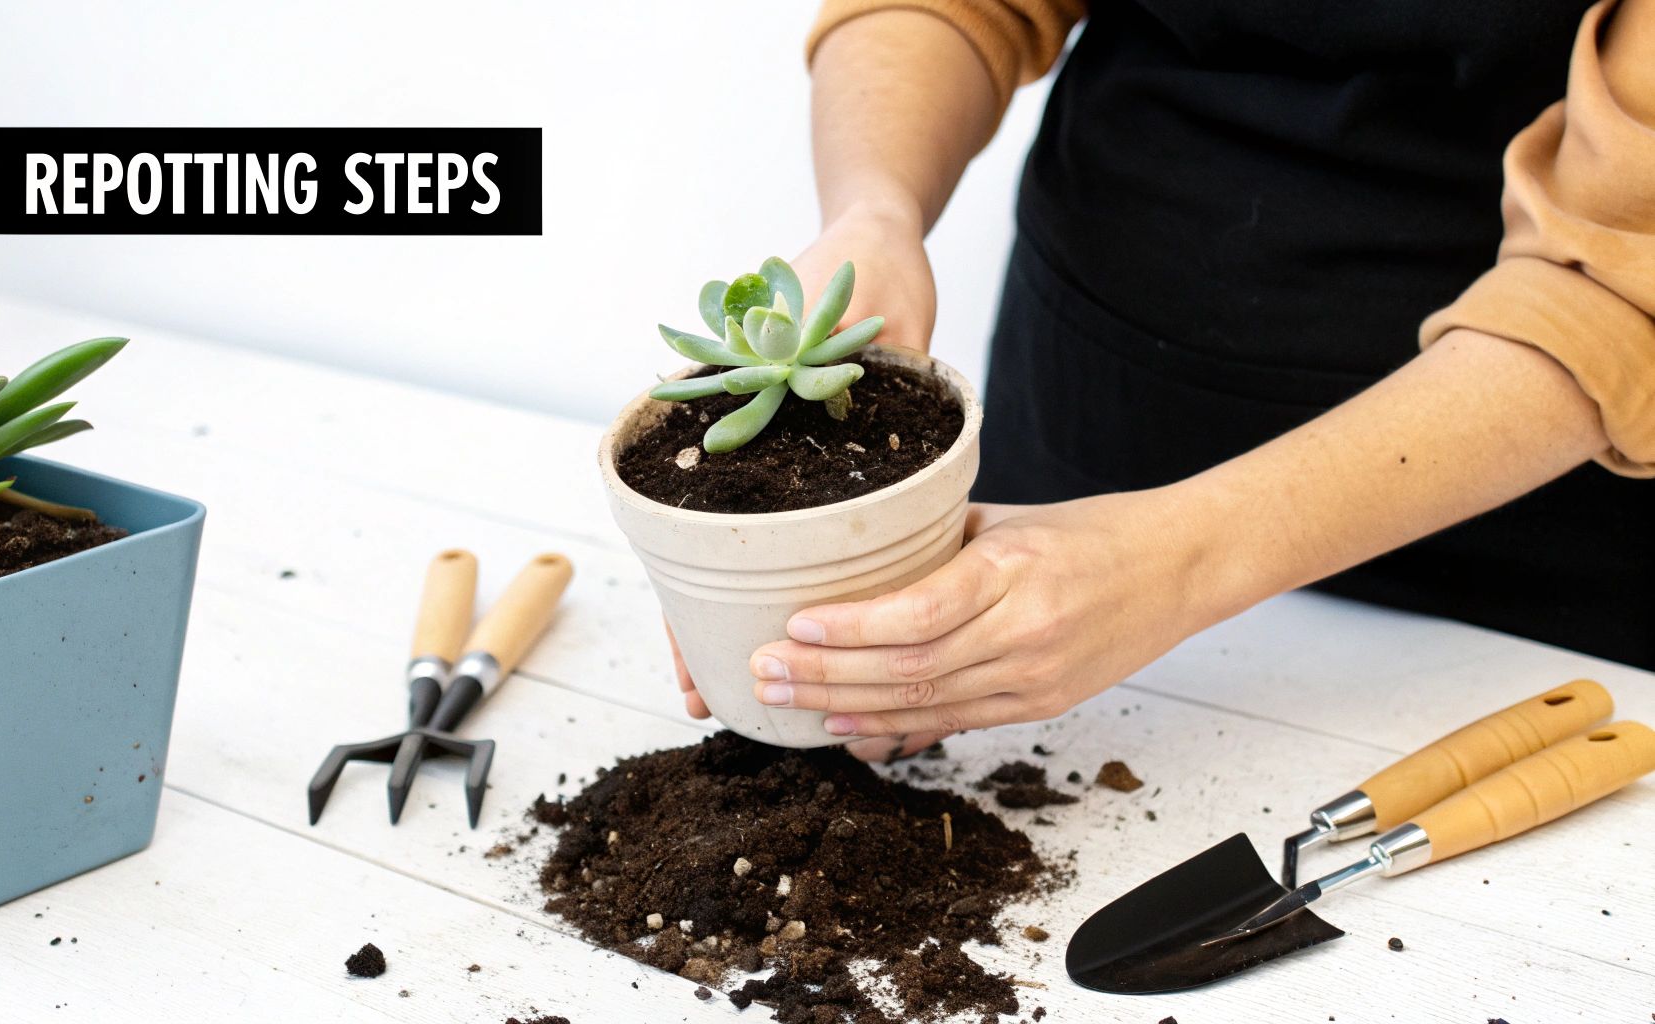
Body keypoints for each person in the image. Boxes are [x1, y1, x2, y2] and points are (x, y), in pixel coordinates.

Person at [671, 0, 1655, 760]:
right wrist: (871, 212)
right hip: (1085, 416)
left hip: (1508, 532)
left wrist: (1182, 563)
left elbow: (1614, 284)